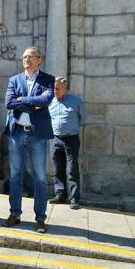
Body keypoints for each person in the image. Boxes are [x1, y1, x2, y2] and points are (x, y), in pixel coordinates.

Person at [4, 46, 55, 233]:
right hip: (17, 133)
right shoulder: (14, 80)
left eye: (31, 56)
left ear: (39, 59)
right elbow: (9, 103)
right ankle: (14, 213)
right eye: (24, 57)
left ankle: (40, 218)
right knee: (15, 175)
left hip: (37, 135)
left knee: (40, 177)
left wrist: (22, 99)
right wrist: (33, 103)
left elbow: (46, 100)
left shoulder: (48, 79)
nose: (27, 59)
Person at [48, 77, 87, 210]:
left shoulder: (76, 101)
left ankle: (74, 197)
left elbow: (83, 118)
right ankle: (60, 194)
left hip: (71, 139)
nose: (55, 91)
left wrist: (70, 128)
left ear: (65, 88)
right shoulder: (50, 101)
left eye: (57, 88)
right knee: (58, 168)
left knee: (71, 169)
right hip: (54, 138)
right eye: (53, 88)